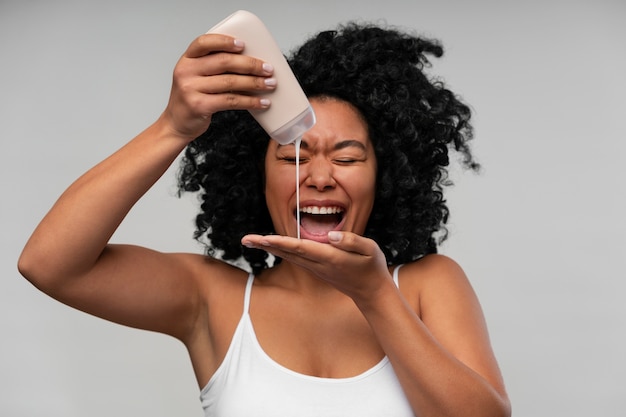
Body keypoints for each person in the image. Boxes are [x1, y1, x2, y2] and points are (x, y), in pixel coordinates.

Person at [18, 19, 511, 417]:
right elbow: (49, 264)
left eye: (347, 157)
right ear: (256, 177)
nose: (319, 177)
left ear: (386, 178)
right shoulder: (213, 299)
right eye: (293, 157)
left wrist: (375, 294)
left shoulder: (426, 285)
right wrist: (173, 127)